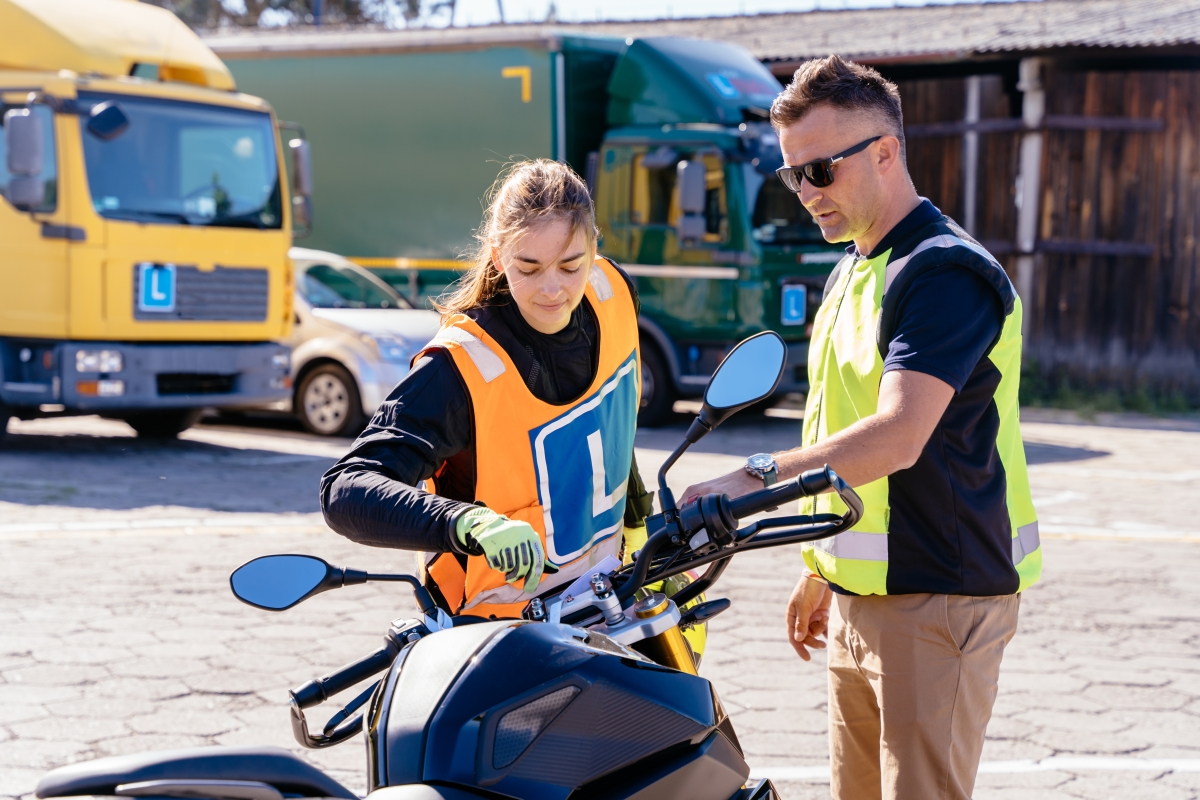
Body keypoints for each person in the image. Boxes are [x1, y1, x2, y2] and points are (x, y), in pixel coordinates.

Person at [682, 56, 1041, 800]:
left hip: (938, 594)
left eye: (821, 170)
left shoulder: (943, 273)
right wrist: (820, 566)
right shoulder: (855, 266)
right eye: (792, 176)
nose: (807, 194)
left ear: (885, 151)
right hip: (862, 593)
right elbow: (841, 424)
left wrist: (749, 478)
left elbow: (898, 435)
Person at [320, 160, 653, 620]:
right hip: (498, 642)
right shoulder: (463, 367)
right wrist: (464, 522)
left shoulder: (612, 291)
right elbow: (345, 490)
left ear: (595, 247)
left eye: (571, 265)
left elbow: (608, 419)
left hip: (608, 607)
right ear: (498, 257)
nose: (553, 288)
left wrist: (641, 525)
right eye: (529, 268)